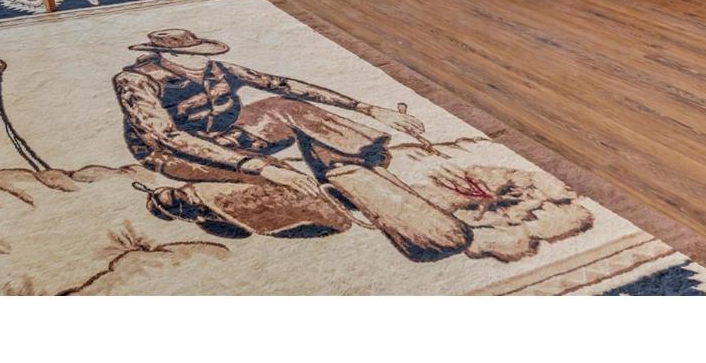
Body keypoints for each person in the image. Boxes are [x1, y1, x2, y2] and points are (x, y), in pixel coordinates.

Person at [113, 29, 471, 259]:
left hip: (229, 135)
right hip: (173, 154)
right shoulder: (135, 81)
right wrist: (260, 166)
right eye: (191, 55)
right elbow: (168, 136)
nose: (201, 60)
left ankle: (345, 168)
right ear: (165, 56)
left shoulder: (217, 69)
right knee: (294, 192)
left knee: (287, 106)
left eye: (200, 53)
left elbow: (283, 85)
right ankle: (201, 201)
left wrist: (365, 107)